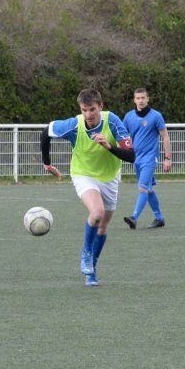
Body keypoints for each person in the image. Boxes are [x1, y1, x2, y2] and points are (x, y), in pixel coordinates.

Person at [41, 88, 135, 287]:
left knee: (103, 226)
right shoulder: (74, 125)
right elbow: (46, 132)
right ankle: (86, 253)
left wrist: (109, 146)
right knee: (97, 212)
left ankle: (92, 269)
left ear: (100, 106)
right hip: (83, 174)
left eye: (92, 109)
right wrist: (47, 163)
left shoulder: (112, 121)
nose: (88, 114)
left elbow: (131, 155)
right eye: (84, 110)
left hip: (109, 177)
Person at [121, 87, 172, 229]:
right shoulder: (129, 117)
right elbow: (123, 136)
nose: (141, 100)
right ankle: (159, 218)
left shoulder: (156, 116)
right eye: (138, 98)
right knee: (148, 189)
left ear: (147, 99)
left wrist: (167, 158)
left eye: (143, 98)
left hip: (150, 158)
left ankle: (134, 217)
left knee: (142, 188)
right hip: (136, 159)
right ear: (134, 100)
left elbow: (165, 136)